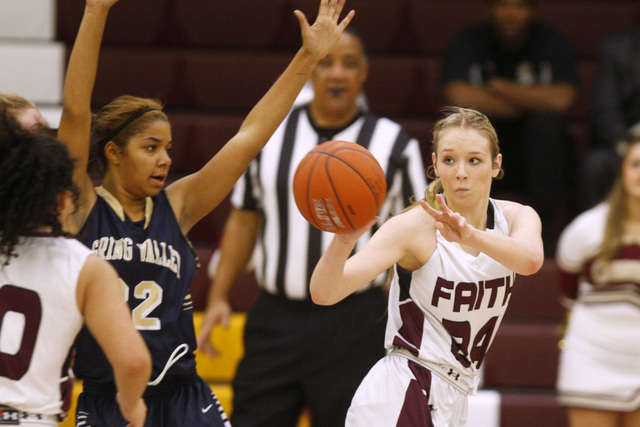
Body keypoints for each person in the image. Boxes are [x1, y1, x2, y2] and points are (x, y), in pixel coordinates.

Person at [58, 0, 354, 425]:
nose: (164, 160)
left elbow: (249, 137)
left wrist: (308, 56)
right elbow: (74, 111)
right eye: (150, 148)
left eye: (168, 149)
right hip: (109, 397)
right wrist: (96, 11)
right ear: (113, 153)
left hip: (183, 397)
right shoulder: (83, 207)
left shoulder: (177, 206)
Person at [196, 27, 428, 426]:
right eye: (326, 62)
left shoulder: (396, 145)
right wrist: (219, 296)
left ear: (364, 74)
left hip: (356, 323)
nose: (337, 74)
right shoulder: (269, 137)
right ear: (311, 72)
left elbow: (414, 243)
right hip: (275, 319)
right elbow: (244, 219)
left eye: (349, 64)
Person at [309, 106, 544, 426]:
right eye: (449, 160)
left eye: (474, 160)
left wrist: (471, 236)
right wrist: (344, 239)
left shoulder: (516, 217)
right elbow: (324, 292)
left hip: (454, 394)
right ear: (434, 165)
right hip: (403, 388)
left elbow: (531, 261)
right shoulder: (413, 228)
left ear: (496, 164)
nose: (461, 172)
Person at [0, 116, 151, 427]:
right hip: (32, 419)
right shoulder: (86, 266)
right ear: (61, 198)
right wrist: (130, 403)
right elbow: (134, 362)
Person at [439, 0, 579, 255]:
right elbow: (456, 93)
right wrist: (529, 100)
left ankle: (545, 244)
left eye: (520, 6)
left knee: (546, 128)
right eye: (503, 5)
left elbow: (562, 99)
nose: (511, 13)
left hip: (535, 156)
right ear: (490, 8)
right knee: (473, 126)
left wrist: (500, 88)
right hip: (484, 150)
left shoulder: (551, 41)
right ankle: (460, 241)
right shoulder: (470, 40)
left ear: (533, 10)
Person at [555, 135, 640, 426]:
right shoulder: (586, 229)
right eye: (636, 164)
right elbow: (568, 292)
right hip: (592, 358)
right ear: (622, 171)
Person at [579, 25, 640, 213]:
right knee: (597, 164)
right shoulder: (618, 49)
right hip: (629, 143)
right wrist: (630, 148)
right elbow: (605, 110)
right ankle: (599, 240)